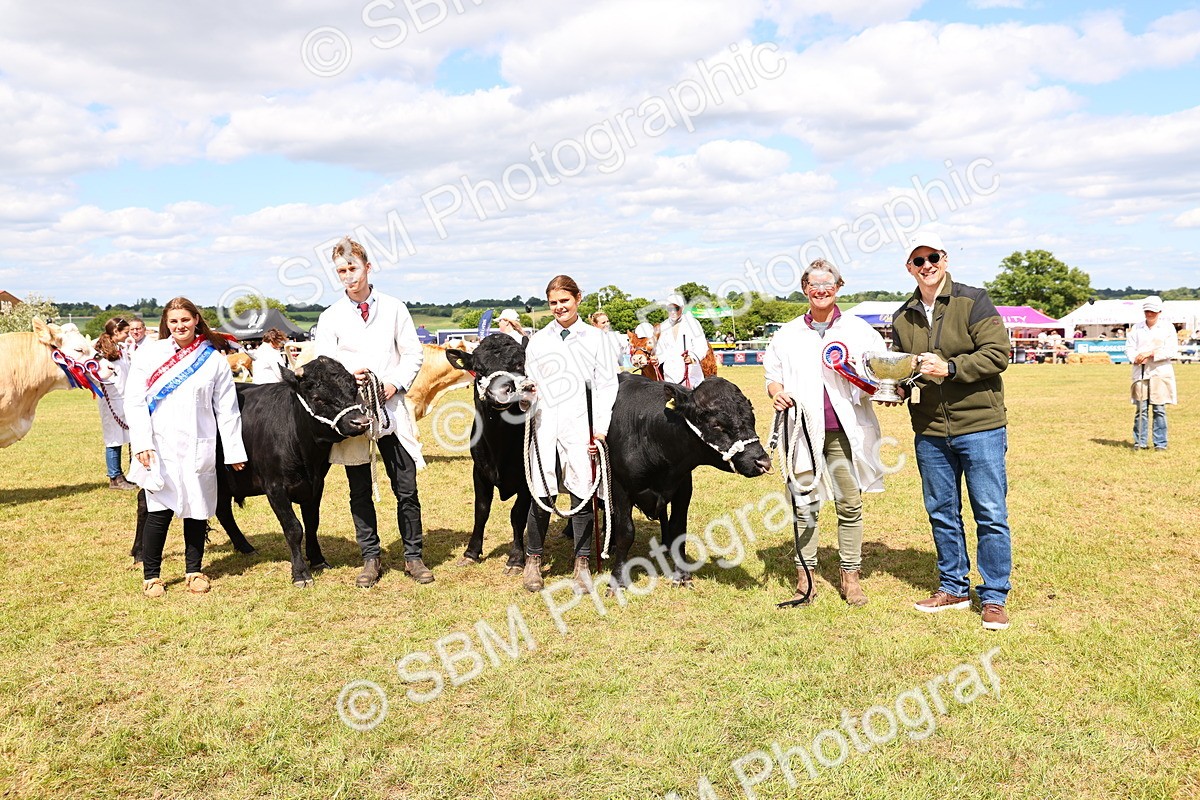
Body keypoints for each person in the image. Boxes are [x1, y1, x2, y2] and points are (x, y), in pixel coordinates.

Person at [890, 229, 1013, 631]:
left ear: (945, 259)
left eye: (933, 258)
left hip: (980, 425)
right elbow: (905, 369)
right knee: (942, 512)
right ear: (909, 268)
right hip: (929, 430)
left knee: (990, 513)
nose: (927, 266)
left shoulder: (973, 299)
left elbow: (997, 354)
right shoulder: (902, 316)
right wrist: (895, 390)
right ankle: (954, 588)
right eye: (918, 261)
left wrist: (952, 368)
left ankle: (993, 595)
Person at [764, 260, 887, 607]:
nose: (821, 290)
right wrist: (776, 393)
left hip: (845, 433)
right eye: (814, 284)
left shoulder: (860, 330)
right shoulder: (786, 333)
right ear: (805, 288)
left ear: (839, 287)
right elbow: (772, 377)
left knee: (850, 503)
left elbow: (879, 373)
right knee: (804, 505)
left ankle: (851, 576)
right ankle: (806, 577)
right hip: (801, 431)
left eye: (828, 284)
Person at [315, 236, 431, 587]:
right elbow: (324, 363)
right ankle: (371, 557)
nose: (348, 275)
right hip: (352, 416)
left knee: (406, 488)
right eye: (341, 271)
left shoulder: (395, 308)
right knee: (359, 489)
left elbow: (412, 353)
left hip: (390, 411)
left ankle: (413, 556)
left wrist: (393, 383)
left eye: (353, 268)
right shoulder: (330, 316)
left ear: (367, 266)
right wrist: (348, 378)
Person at [125, 297, 246, 598]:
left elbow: (227, 409)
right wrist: (140, 442)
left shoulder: (214, 360)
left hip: (197, 444)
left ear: (195, 320)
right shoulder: (149, 354)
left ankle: (194, 571)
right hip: (158, 446)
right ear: (166, 323)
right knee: (158, 511)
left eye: (185, 320)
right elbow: (135, 401)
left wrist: (233, 451)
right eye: (173, 321)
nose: (180, 326)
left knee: (197, 508)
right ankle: (151, 576)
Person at [522, 275, 618, 593]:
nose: (559, 307)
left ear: (578, 299)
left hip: (582, 424)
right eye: (553, 302)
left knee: (583, 490)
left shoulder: (596, 339)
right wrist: (526, 395)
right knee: (541, 490)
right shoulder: (538, 341)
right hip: (544, 422)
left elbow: (607, 386)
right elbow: (530, 383)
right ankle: (533, 560)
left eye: (564, 300)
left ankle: (582, 564)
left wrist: (600, 431)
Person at [1125, 296, 1177, 451]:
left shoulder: (1168, 328)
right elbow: (1129, 347)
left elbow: (1171, 350)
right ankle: (1140, 442)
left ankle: (1160, 443)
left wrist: (1151, 353)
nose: (1149, 314)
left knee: (1159, 409)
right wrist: (1135, 358)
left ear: (1159, 312)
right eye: (1147, 311)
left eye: (1153, 311)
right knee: (1141, 408)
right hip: (1140, 371)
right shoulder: (1136, 328)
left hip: (1159, 372)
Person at [94, 316, 137, 490]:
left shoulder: (121, 349)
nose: (129, 334)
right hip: (112, 400)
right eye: (126, 332)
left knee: (128, 436)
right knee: (114, 439)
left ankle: (132, 473)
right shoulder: (101, 354)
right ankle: (115, 477)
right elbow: (99, 377)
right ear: (115, 332)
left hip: (125, 398)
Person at [653, 293, 710, 387]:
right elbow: (661, 349)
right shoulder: (663, 326)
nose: (673, 312)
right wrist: (657, 359)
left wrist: (692, 358)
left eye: (676, 308)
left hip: (691, 376)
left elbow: (701, 345)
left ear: (682, 308)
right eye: (670, 309)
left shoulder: (693, 323)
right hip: (670, 377)